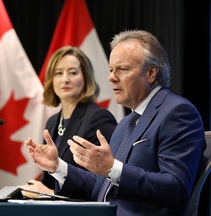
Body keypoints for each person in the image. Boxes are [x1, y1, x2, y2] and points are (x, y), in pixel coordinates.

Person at [24, 30, 207, 215]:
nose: (111, 77)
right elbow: (100, 187)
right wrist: (58, 167)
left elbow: (176, 189)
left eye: (123, 69)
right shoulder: (126, 123)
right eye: (111, 70)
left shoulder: (177, 112)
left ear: (151, 73)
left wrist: (113, 168)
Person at [21, 46, 117, 195]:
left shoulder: (99, 118)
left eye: (72, 73)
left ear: (86, 78)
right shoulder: (53, 122)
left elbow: (105, 181)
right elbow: (51, 177)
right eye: (58, 73)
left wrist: (50, 193)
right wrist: (30, 187)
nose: (65, 79)